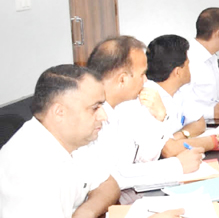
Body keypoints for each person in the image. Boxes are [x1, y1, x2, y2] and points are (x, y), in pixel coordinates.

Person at [0, 65, 187, 218]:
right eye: (95, 107)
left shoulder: (75, 141)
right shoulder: (25, 159)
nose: (104, 115)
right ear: (59, 112)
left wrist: (85, 214)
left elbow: (109, 184)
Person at [75, 36, 204, 198]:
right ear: (122, 79)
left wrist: (159, 118)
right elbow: (111, 178)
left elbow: (145, 157)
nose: (146, 80)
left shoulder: (124, 107)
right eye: (142, 74)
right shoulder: (90, 116)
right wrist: (177, 166)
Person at [128, 35, 219, 157]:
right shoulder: (148, 98)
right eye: (187, 64)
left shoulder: (179, 91)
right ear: (178, 72)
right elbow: (169, 150)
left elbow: (200, 123)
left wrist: (179, 136)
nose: (190, 69)